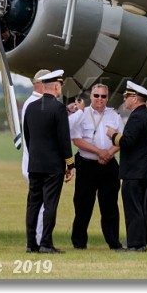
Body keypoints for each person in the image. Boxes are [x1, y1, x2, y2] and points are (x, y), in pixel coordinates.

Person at [23, 69, 75, 254]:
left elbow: (28, 137)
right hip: (53, 166)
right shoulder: (58, 108)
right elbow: (64, 139)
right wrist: (70, 164)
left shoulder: (30, 107)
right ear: (56, 86)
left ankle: (31, 244)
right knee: (50, 205)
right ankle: (45, 243)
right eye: (60, 85)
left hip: (35, 164)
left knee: (33, 204)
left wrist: (35, 156)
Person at [69, 83, 123, 250]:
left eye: (103, 96)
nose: (100, 99)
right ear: (90, 97)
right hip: (87, 165)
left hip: (109, 164)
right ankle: (79, 242)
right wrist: (100, 152)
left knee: (110, 206)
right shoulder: (82, 114)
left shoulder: (114, 115)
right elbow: (77, 140)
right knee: (83, 205)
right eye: (97, 95)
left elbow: (121, 139)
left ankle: (113, 242)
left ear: (108, 98)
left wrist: (108, 154)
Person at [107, 80, 147, 252]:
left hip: (133, 171)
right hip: (142, 170)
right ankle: (139, 242)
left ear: (134, 98)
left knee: (133, 209)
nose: (124, 99)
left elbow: (127, 141)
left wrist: (113, 135)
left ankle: (136, 244)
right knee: (138, 208)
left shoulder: (136, 117)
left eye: (126, 96)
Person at [20, 69, 49, 247]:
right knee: (40, 204)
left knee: (37, 202)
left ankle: (35, 240)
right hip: (37, 162)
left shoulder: (32, 103)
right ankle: (37, 239)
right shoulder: (35, 104)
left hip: (34, 161)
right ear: (40, 84)